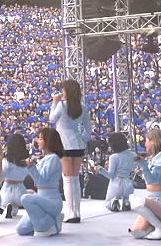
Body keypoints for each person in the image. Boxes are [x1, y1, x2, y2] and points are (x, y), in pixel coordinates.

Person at [49, 79, 90, 223]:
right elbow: (88, 128)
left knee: (67, 179)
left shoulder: (60, 105)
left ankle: (70, 212)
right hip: (77, 144)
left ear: (67, 91)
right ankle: (76, 212)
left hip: (64, 144)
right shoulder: (82, 106)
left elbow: (52, 119)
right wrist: (82, 139)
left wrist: (54, 102)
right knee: (74, 179)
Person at [129, 129, 161, 240]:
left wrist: (144, 165)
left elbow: (152, 180)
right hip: (152, 200)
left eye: (146, 141)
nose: (144, 144)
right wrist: (142, 168)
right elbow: (150, 179)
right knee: (136, 232)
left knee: (135, 202)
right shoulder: (154, 157)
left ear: (153, 141)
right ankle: (160, 225)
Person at [16, 128, 64, 237]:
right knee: (21, 229)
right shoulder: (45, 158)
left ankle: (51, 224)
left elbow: (41, 181)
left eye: (40, 138)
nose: (37, 140)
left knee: (25, 198)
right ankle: (51, 220)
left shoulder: (53, 158)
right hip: (41, 197)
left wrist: (31, 167)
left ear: (48, 141)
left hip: (51, 201)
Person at [94, 132, 135, 212]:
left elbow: (111, 175)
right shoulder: (132, 154)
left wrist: (101, 169)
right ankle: (126, 202)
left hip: (116, 183)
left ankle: (114, 203)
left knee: (108, 203)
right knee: (126, 197)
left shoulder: (114, 157)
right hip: (129, 183)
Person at [0, 134, 29, 218]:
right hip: (21, 191)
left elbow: (0, 176)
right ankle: (13, 208)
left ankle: (7, 208)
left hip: (6, 191)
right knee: (15, 209)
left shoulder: (6, 161)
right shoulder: (26, 161)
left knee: (2, 203)